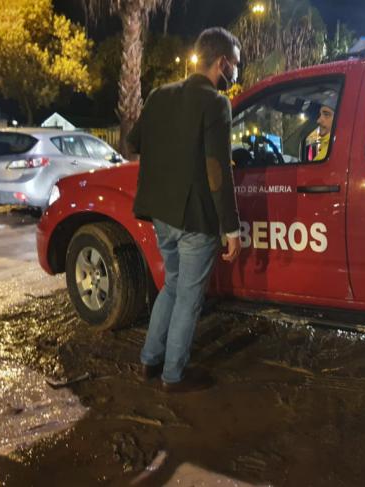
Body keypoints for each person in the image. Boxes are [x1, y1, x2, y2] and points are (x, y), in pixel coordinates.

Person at [127, 27, 242, 393]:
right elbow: (216, 167)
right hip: (195, 219)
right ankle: (173, 375)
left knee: (172, 287)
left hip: (161, 214)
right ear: (222, 62)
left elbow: (134, 143)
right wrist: (231, 228)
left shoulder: (160, 95)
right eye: (235, 65)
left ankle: (148, 361)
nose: (236, 72)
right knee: (189, 298)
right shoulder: (215, 103)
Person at [305, 94, 337, 161]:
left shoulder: (336, 152)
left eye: (326, 114)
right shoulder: (328, 149)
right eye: (320, 115)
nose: (318, 120)